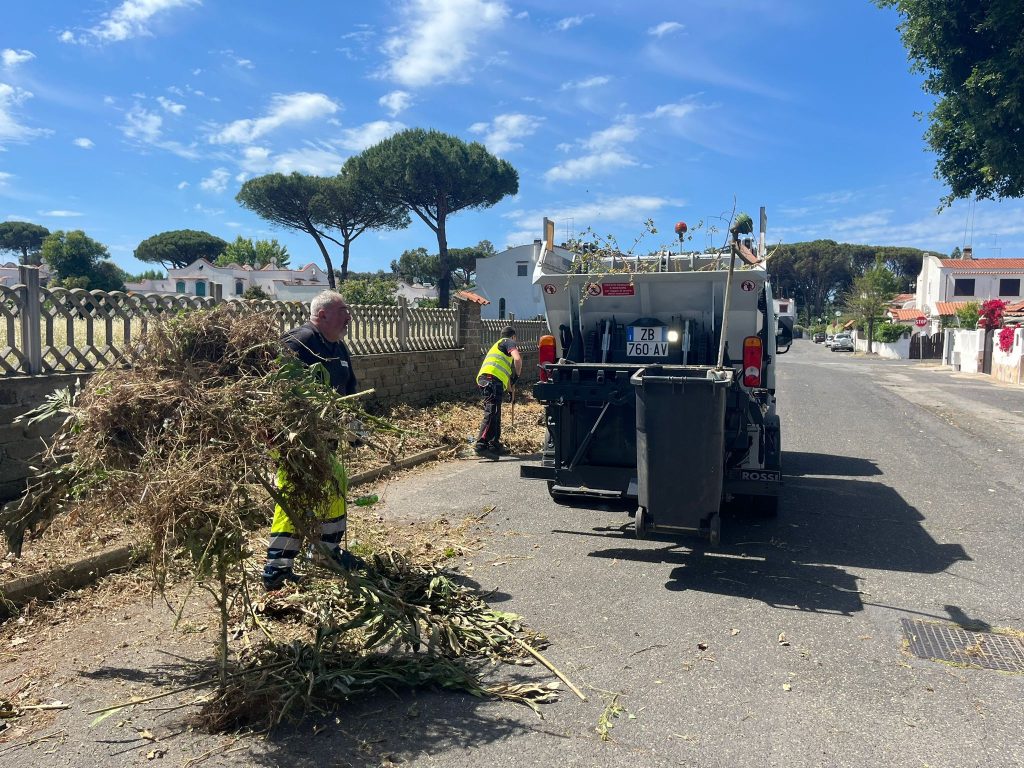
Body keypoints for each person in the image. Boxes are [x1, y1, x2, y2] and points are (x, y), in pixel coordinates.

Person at [263, 290, 365, 590]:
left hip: (325, 441)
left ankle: (324, 553)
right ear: (322, 315)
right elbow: (271, 388)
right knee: (296, 496)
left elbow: (349, 391)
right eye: (343, 311)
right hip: (294, 441)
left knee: (335, 485)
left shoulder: (338, 347)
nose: (349, 317)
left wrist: (356, 428)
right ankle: (277, 569)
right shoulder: (298, 342)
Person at [474, 325, 522, 460]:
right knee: (491, 411)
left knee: (496, 413)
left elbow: (504, 373)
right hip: (490, 379)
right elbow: (518, 359)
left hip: (493, 380)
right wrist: (517, 376)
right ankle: (481, 445)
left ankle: (494, 444)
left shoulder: (499, 346)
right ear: (513, 336)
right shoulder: (508, 342)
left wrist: (510, 389)